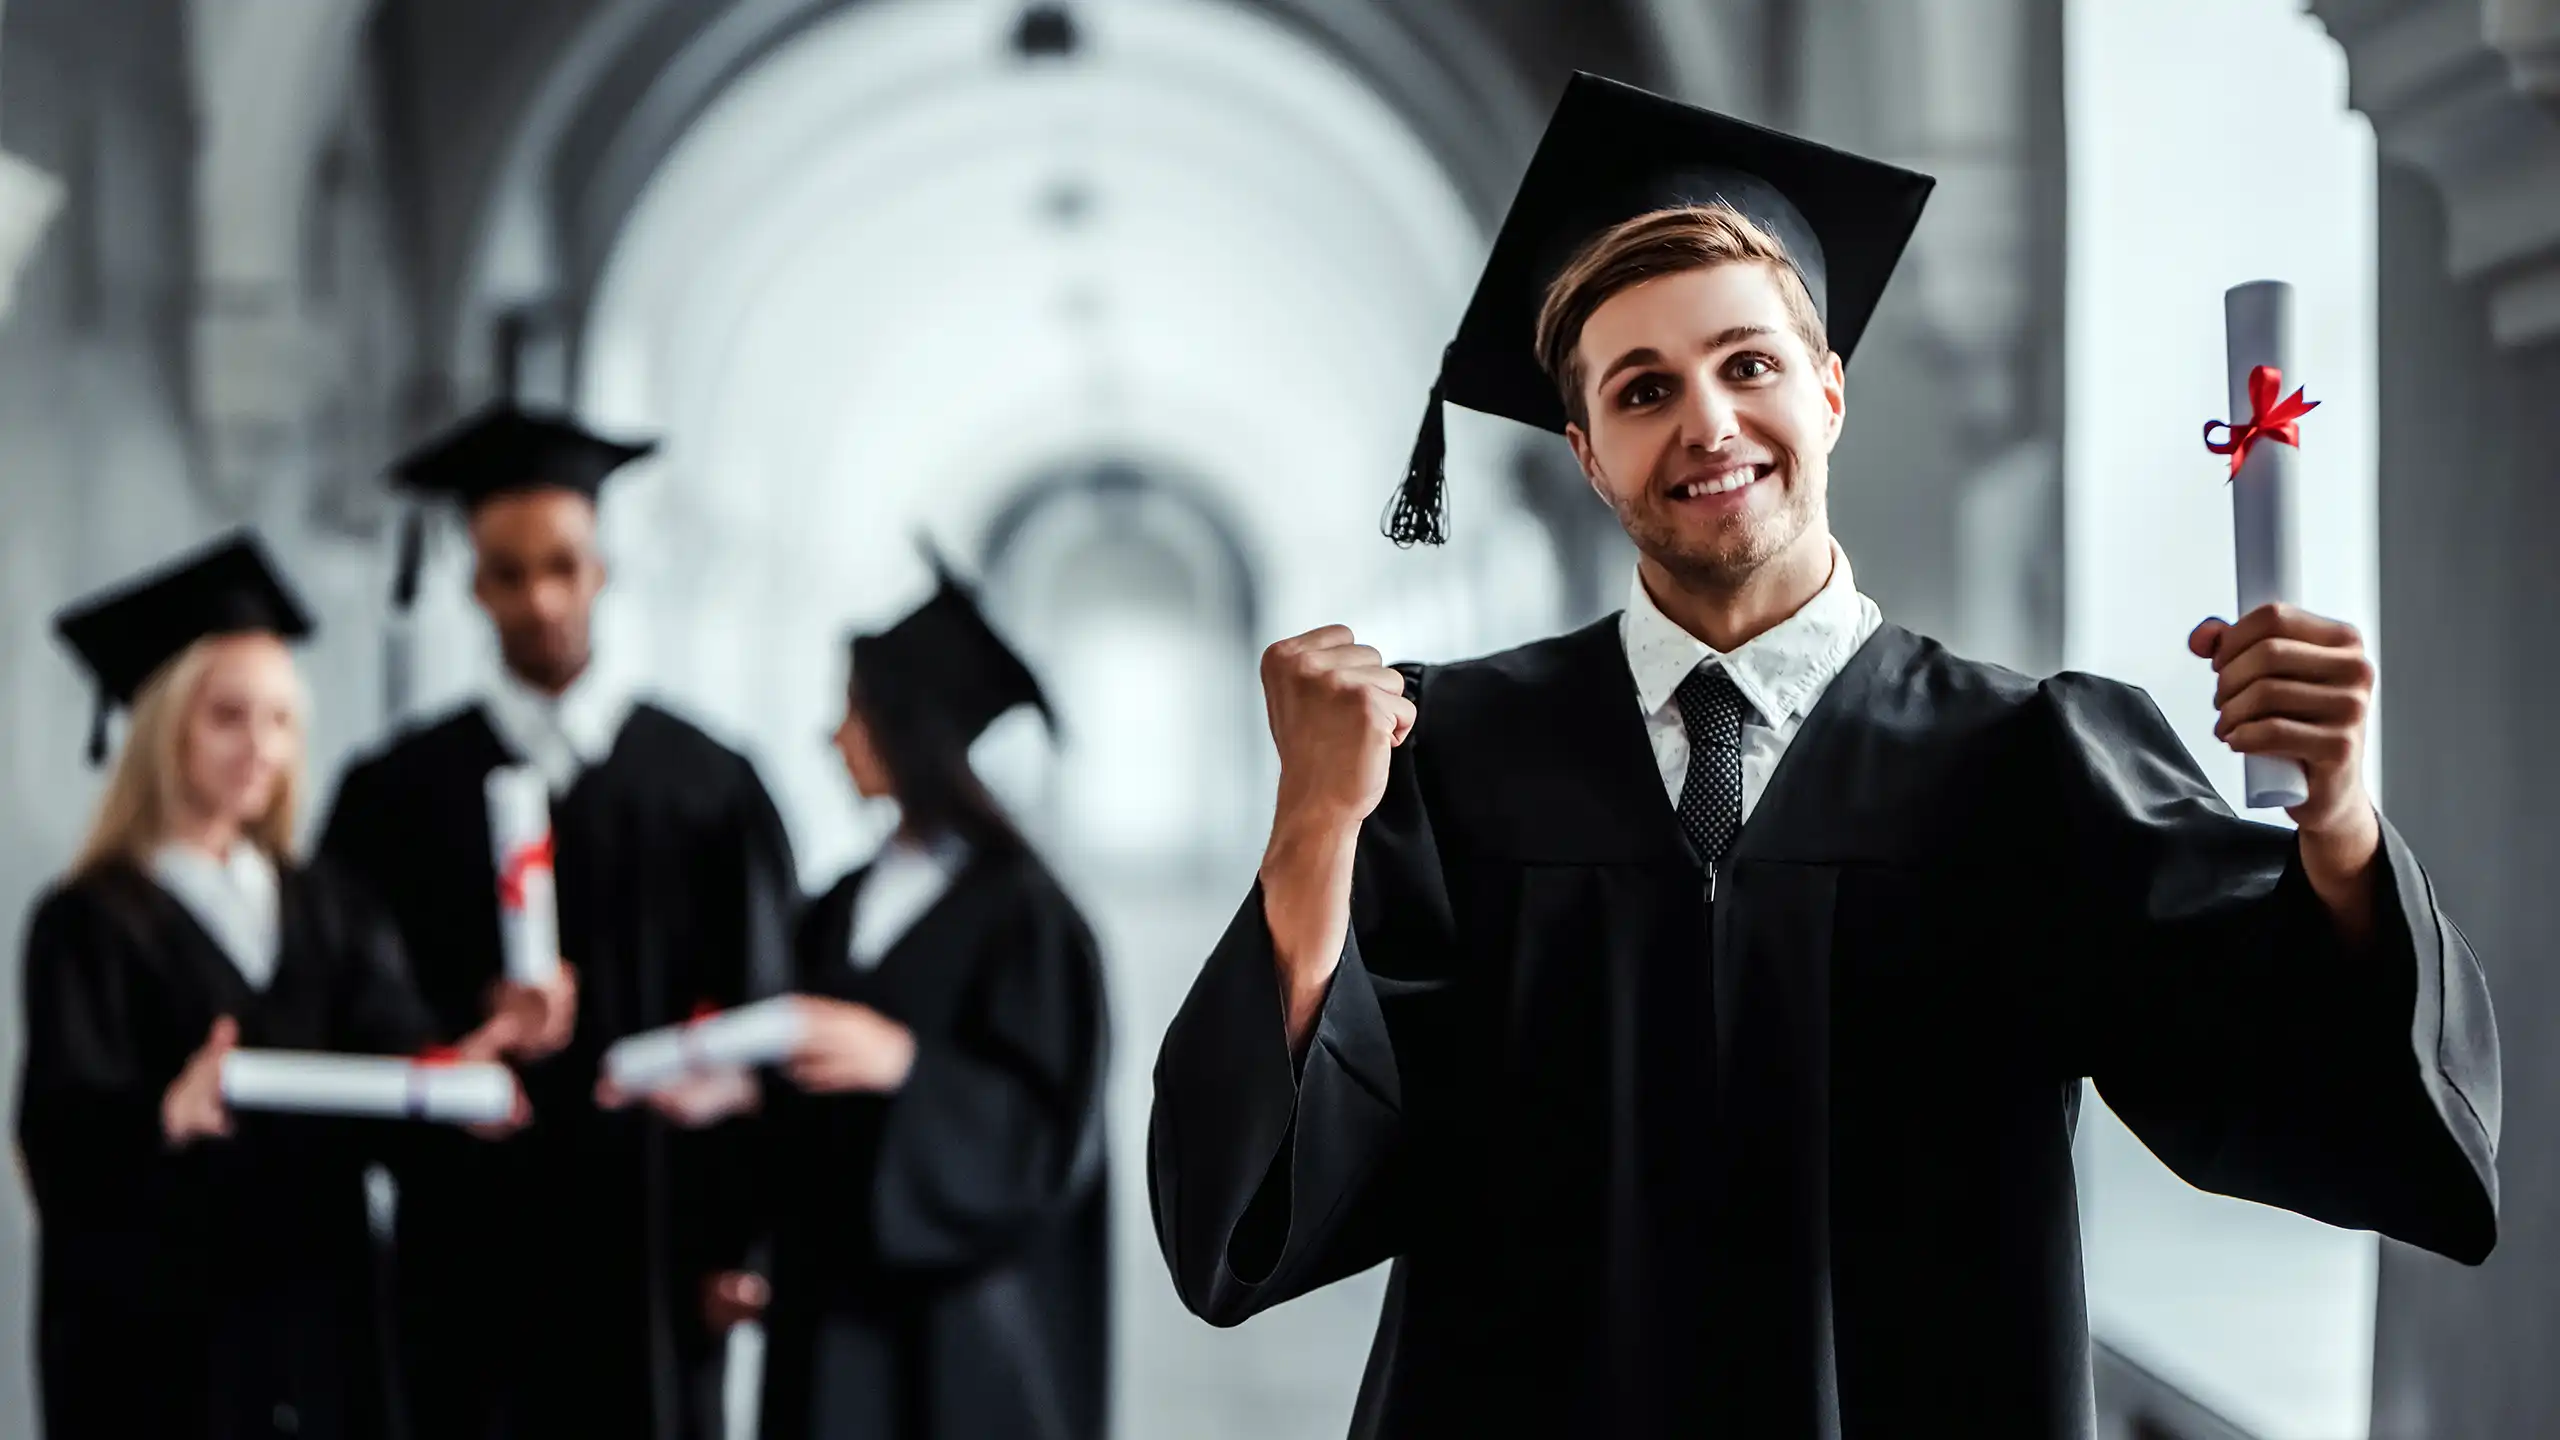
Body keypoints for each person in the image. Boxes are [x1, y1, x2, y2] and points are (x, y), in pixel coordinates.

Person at [1147, 72, 2499, 1437]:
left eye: (1749, 365)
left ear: (1831, 391)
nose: (1709, 424)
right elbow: (1257, 1210)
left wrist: (2331, 820)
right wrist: (1314, 828)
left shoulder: (2029, 766)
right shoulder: (1451, 763)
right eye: (1643, 389)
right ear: (1588, 456)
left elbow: (2319, 1094)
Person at [317, 404, 802, 1439]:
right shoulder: (392, 796)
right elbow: (344, 1004)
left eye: (561, 565)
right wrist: (452, 1034)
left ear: (603, 569)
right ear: (471, 583)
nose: (537, 599)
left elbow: (766, 1018)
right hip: (467, 1243)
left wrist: (745, 1240)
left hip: (659, 1245)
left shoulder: (711, 787)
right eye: (506, 572)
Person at [17, 530, 544, 1440]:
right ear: (160, 721)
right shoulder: (90, 921)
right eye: (227, 716)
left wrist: (460, 1068)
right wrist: (163, 1114)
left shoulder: (327, 906)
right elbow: (60, 1142)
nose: (260, 747)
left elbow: (390, 1051)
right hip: (160, 1349)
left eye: (280, 719)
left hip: (318, 1324)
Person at [611, 551, 1111, 1440]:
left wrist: (906, 1065)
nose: (834, 736)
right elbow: (803, 1106)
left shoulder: (1030, 921)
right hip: (823, 1318)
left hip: (958, 1341)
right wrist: (745, 1098)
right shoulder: (842, 903)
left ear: (911, 731)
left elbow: (1049, 1138)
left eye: (854, 711)